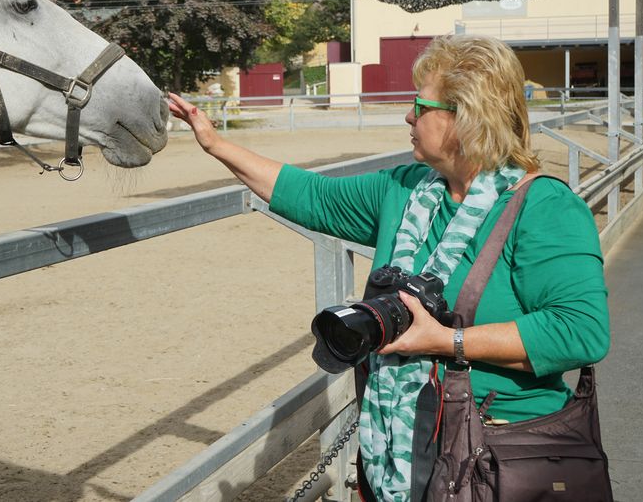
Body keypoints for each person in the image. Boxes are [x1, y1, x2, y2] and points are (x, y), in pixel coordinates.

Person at [167, 34, 610, 502]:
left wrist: (447, 340)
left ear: (467, 117)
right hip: (397, 455)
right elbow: (312, 196)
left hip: (497, 461)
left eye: (420, 106)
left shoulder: (544, 207)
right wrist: (216, 144)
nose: (408, 116)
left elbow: (581, 330)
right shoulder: (405, 190)